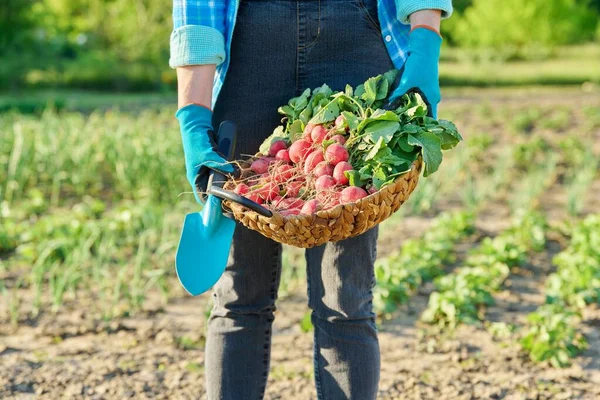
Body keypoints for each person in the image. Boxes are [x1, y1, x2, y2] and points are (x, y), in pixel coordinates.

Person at [170, 1, 452, 398]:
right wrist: (194, 115)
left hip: (353, 41)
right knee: (239, 295)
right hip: (249, 50)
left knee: (345, 298)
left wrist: (426, 42)